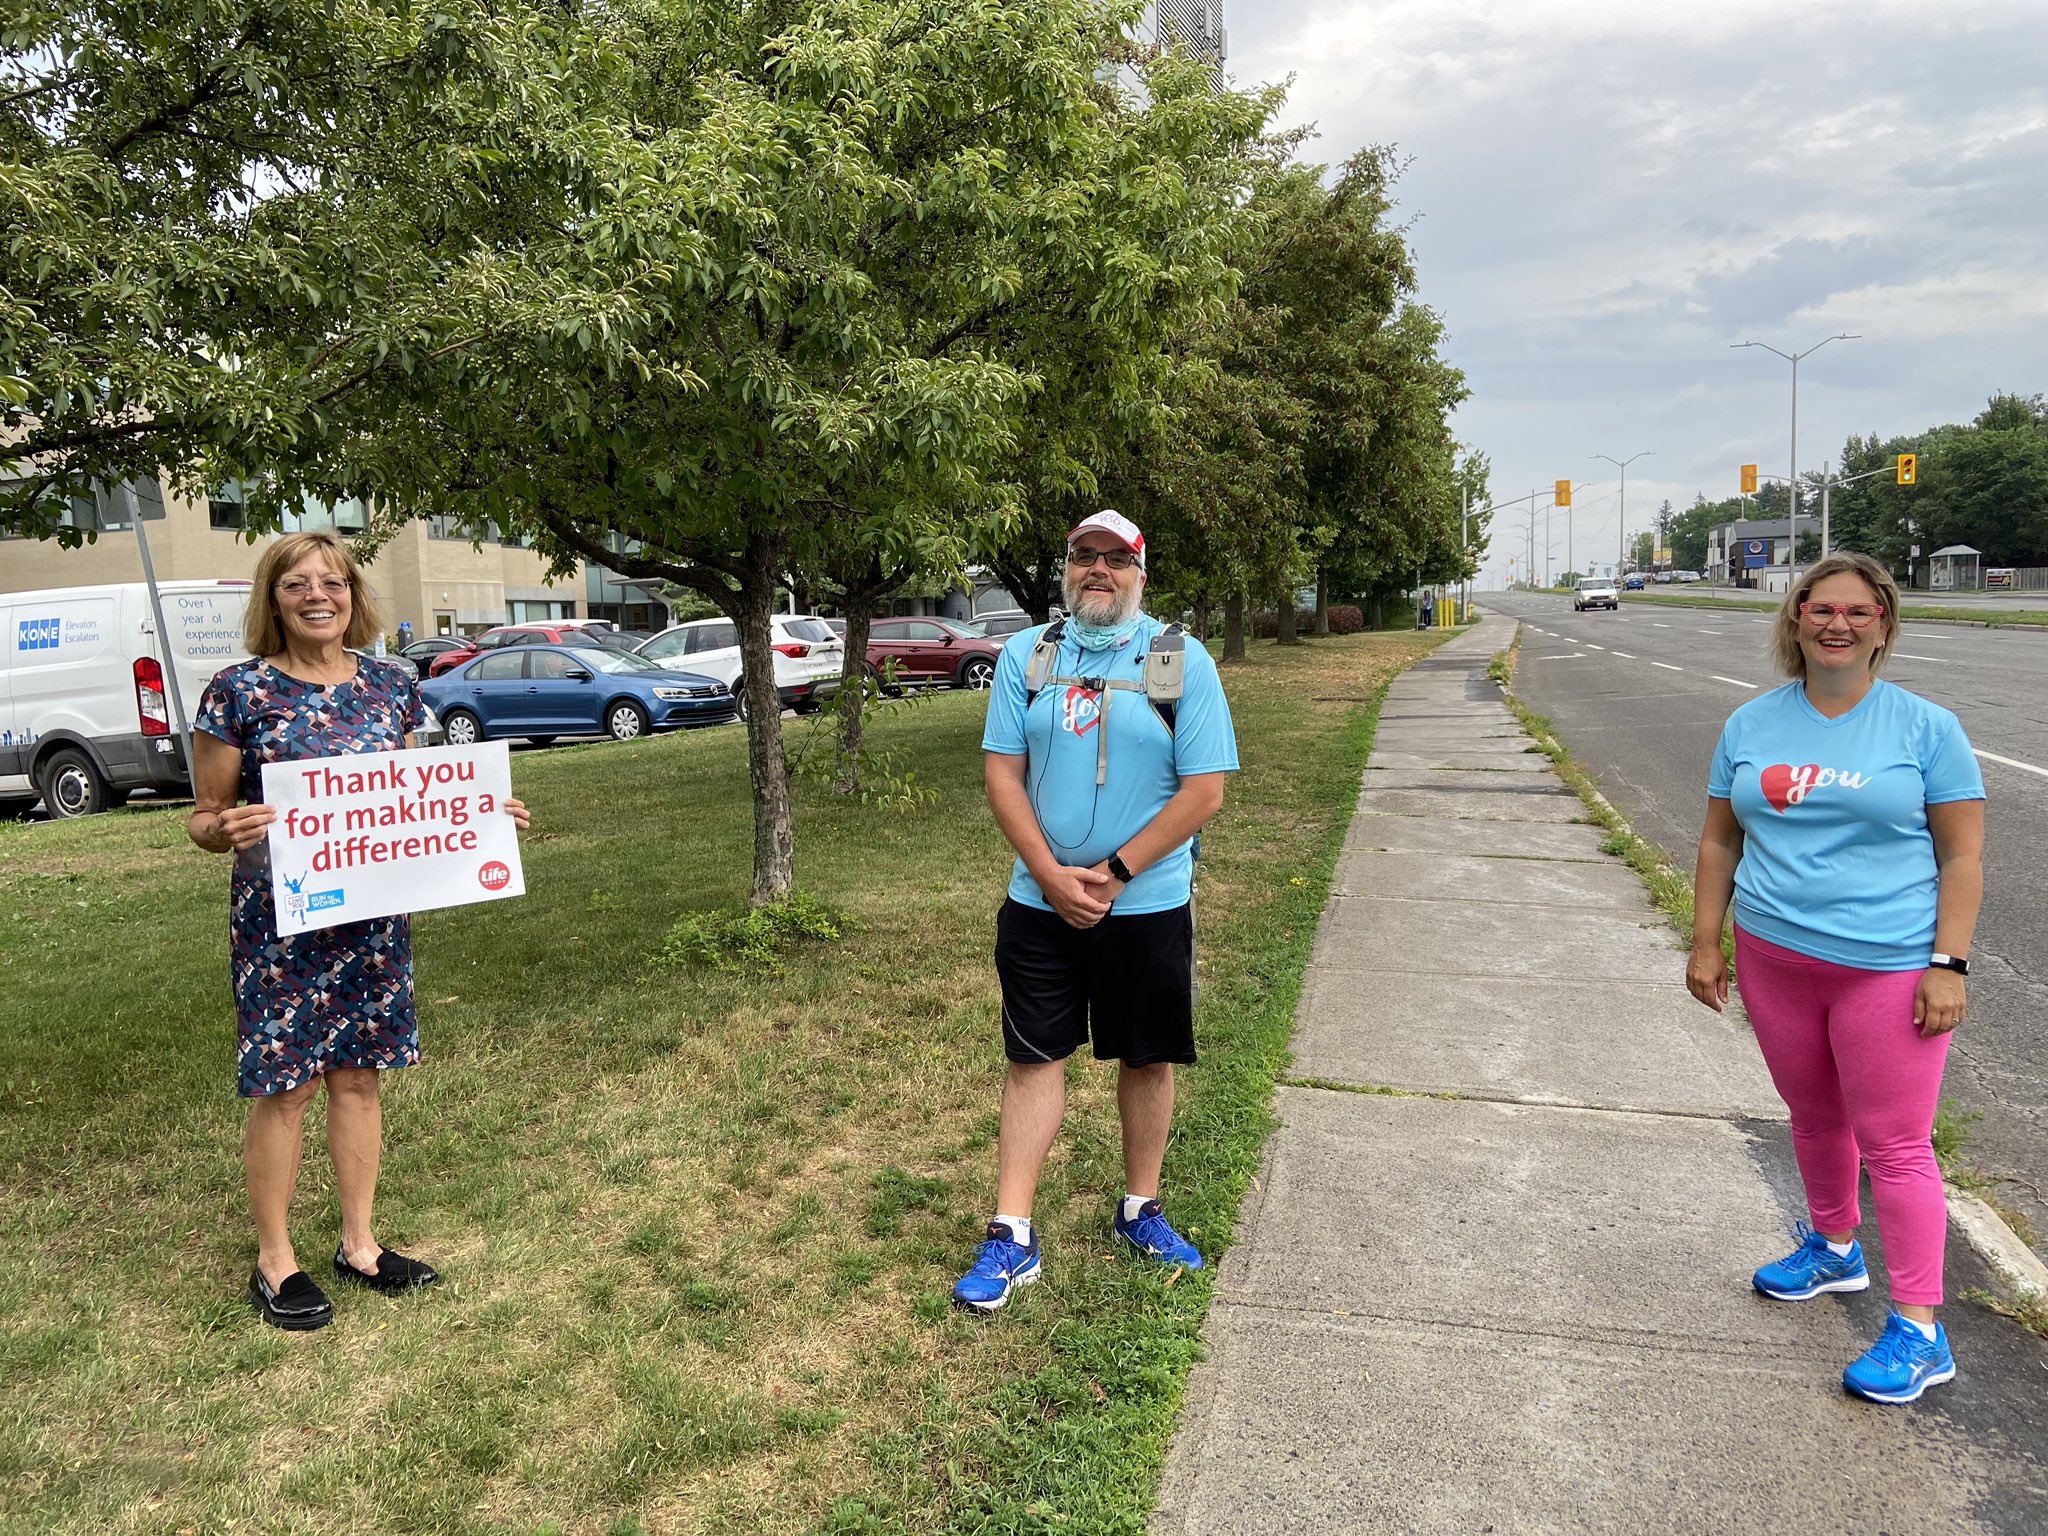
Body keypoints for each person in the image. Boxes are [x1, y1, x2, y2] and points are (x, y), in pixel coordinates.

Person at [188, 532, 529, 1330]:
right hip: (283, 920)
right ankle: (276, 1262)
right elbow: (203, 819)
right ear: (273, 597)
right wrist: (223, 828)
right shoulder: (237, 691)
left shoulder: (389, 685)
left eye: (333, 582)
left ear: (353, 594)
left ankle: (361, 1245)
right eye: (298, 584)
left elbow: (411, 796)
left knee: (362, 1076)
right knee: (287, 1085)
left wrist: (481, 815)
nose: (318, 596)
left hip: (373, 916)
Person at [1688, 552, 1984, 1403]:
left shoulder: (1925, 728)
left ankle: (1921, 1329)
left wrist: (1947, 965)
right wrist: (1708, 944)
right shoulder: (1751, 724)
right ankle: (1833, 1249)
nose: (1838, 625)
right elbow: (1719, 841)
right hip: (1777, 956)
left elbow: (1962, 856)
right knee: (1813, 1116)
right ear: (1796, 619)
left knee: (1895, 1144)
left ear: (1884, 623)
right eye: (1821, 610)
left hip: (1887, 968)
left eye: (1859, 611)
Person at [954, 510, 1239, 1312]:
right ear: (1067, 569)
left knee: (1145, 1057)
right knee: (1033, 1057)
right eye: (1086, 557)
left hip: (1145, 902)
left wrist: (1113, 874)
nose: (1099, 570)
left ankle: (1139, 1209)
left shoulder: (1179, 660)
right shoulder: (1027, 655)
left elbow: (1206, 789)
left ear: (1140, 574)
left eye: (1117, 559)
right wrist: (1049, 875)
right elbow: (1003, 775)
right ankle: (1012, 1234)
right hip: (1038, 904)